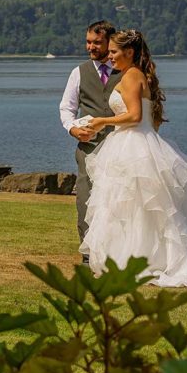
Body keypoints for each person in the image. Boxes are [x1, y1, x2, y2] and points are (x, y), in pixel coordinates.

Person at [81, 30, 187, 287]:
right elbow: (149, 120)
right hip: (135, 143)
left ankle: (141, 260)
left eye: (114, 52)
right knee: (133, 207)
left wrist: (101, 122)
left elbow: (133, 116)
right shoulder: (137, 75)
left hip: (132, 145)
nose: (110, 56)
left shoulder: (131, 76)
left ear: (129, 52)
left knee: (135, 206)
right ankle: (131, 258)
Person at [59, 21, 122, 263]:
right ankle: (88, 251)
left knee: (120, 197)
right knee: (85, 196)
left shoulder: (126, 71)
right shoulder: (79, 72)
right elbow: (67, 108)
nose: (90, 47)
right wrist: (73, 129)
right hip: (90, 146)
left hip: (121, 146)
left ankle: (119, 250)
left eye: (96, 42)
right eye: (88, 42)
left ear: (109, 42)